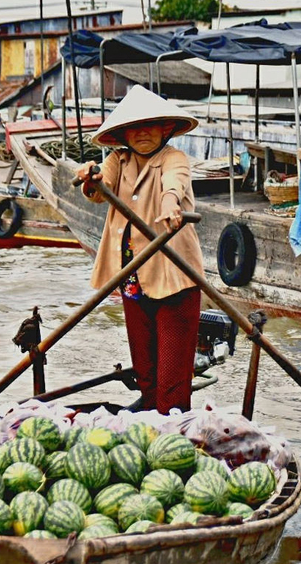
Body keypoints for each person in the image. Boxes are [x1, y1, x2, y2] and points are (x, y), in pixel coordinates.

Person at [75, 85, 205, 415]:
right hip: (132, 276)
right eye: (135, 127)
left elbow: (173, 185)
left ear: (166, 129)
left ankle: (173, 427)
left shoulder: (174, 158)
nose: (142, 133)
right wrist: (91, 177)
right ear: (124, 134)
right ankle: (148, 422)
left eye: (151, 125)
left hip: (173, 276)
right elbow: (99, 186)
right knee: (145, 367)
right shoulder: (119, 159)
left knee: (172, 376)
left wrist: (171, 204)